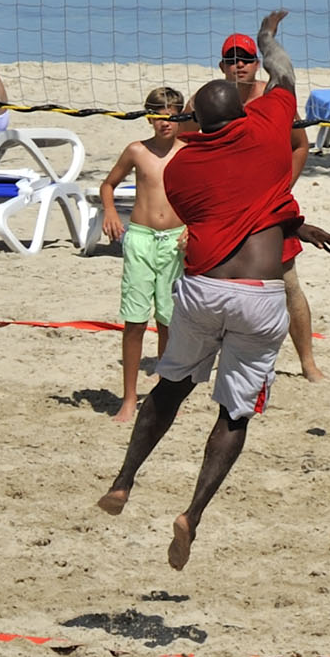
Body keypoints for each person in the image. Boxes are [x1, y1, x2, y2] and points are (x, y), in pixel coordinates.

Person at [97, 13, 330, 569]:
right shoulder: (270, 123)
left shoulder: (182, 169)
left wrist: (284, 216)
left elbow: (216, 211)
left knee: (172, 386)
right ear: (244, 109)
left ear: (197, 125)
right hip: (259, 293)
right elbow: (284, 73)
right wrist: (267, 40)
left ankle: (126, 478)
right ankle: (193, 514)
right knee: (235, 414)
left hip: (204, 289)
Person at [218, 19, 324, 381]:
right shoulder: (211, 100)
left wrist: (282, 188)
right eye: (232, 60)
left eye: (246, 58)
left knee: (289, 284)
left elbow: (300, 145)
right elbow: (185, 146)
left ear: (256, 63)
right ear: (222, 67)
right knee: (217, 286)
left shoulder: (271, 98)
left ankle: (308, 363)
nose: (239, 65)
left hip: (268, 207)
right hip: (225, 209)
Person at [99, 87, 190, 423]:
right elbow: (107, 184)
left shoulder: (187, 153)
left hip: (174, 242)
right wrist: (110, 212)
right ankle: (128, 398)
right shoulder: (137, 151)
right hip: (140, 238)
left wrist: (191, 227)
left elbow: (200, 198)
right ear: (149, 117)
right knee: (135, 320)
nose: (165, 121)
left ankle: (163, 393)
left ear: (181, 116)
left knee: (168, 319)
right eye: (158, 114)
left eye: (172, 114)